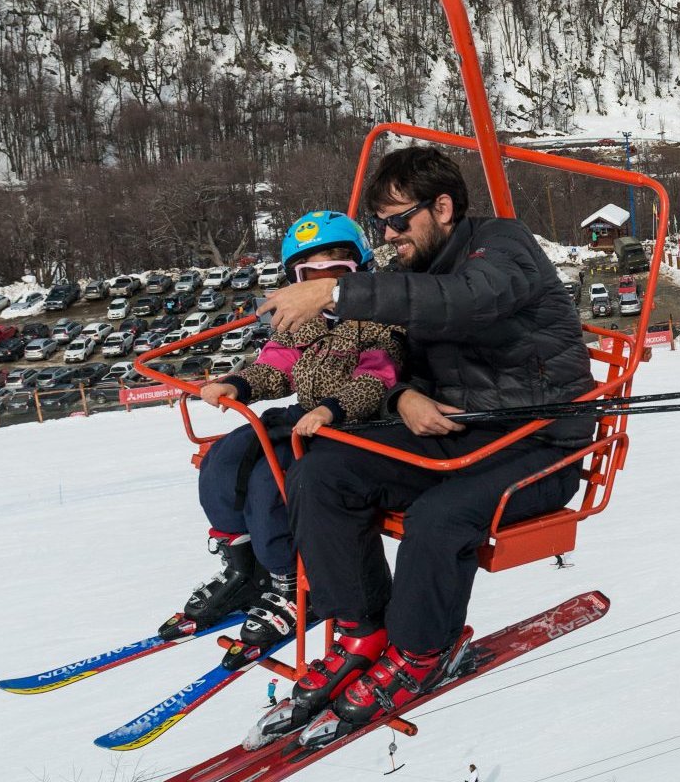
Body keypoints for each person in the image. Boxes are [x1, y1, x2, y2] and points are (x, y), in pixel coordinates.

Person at [251, 146, 595, 743]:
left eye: (397, 220)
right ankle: (363, 629)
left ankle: (420, 649)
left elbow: (466, 300)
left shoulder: (504, 249)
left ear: (441, 208)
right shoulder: (420, 271)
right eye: (380, 224)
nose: (388, 236)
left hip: (539, 446)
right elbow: (397, 358)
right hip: (459, 435)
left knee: (441, 516)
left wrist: (335, 293)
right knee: (323, 473)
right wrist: (404, 396)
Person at [163, 212, 404, 669]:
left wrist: (332, 408)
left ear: (361, 274)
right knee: (226, 460)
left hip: (352, 424)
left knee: (269, 487)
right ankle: (244, 569)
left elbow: (378, 377)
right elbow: (276, 364)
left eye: (338, 275)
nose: (322, 289)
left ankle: (291, 584)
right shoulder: (299, 322)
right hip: (303, 416)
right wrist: (239, 384)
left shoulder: (376, 321)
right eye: (309, 277)